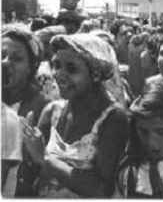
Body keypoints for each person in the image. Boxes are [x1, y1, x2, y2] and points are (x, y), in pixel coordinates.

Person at [21, 33, 129, 198]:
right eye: (57, 65)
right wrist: (26, 149)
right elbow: (31, 174)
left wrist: (45, 158)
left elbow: (101, 190)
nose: (59, 74)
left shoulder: (113, 118)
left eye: (71, 68)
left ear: (95, 73)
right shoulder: (51, 112)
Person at [2, 24, 51, 196]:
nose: (5, 63)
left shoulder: (46, 108)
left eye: (16, 58)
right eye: (1, 55)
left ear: (32, 67)